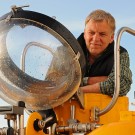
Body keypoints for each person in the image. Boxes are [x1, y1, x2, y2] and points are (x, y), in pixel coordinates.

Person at [77, 9, 132, 96]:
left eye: (102, 34)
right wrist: (105, 80)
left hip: (104, 109)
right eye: (91, 33)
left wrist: (79, 88)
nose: (95, 39)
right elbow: (55, 84)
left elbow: (122, 85)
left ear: (111, 37)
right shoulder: (67, 50)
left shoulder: (120, 53)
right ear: (84, 34)